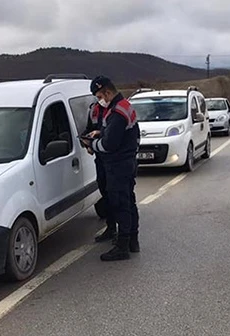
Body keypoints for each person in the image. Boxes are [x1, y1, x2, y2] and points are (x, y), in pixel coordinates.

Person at [82, 75, 140, 261]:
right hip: (124, 161)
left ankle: (122, 246)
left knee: (121, 204)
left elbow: (109, 145)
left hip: (118, 163)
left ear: (107, 92)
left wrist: (92, 144)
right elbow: (116, 134)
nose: (100, 100)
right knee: (128, 201)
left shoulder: (117, 111)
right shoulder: (121, 106)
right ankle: (132, 241)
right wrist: (101, 132)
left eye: (100, 95)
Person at [81, 100, 117, 243]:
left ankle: (124, 235)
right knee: (105, 193)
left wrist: (99, 134)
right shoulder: (94, 110)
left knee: (117, 196)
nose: (99, 98)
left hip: (114, 160)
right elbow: (88, 128)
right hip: (100, 159)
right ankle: (111, 228)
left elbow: (114, 134)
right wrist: (86, 141)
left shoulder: (116, 110)